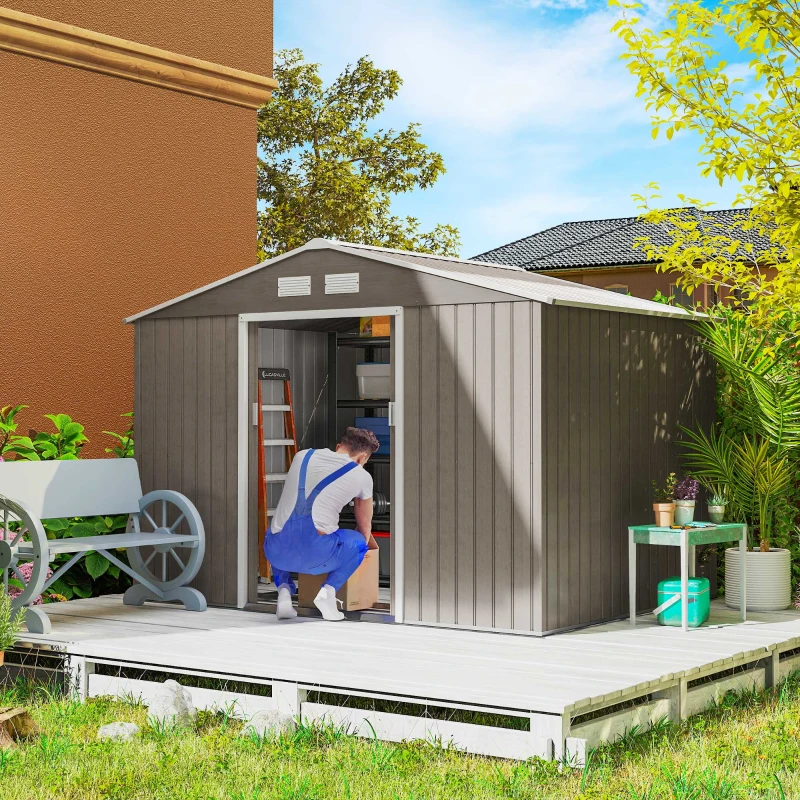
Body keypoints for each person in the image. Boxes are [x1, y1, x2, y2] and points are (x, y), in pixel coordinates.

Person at [264, 427, 380, 621]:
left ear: (338, 446)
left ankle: (283, 592)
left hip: (276, 553)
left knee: (277, 530)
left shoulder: (301, 456)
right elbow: (365, 526)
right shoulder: (362, 476)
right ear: (362, 458)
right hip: (317, 556)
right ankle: (328, 594)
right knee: (359, 542)